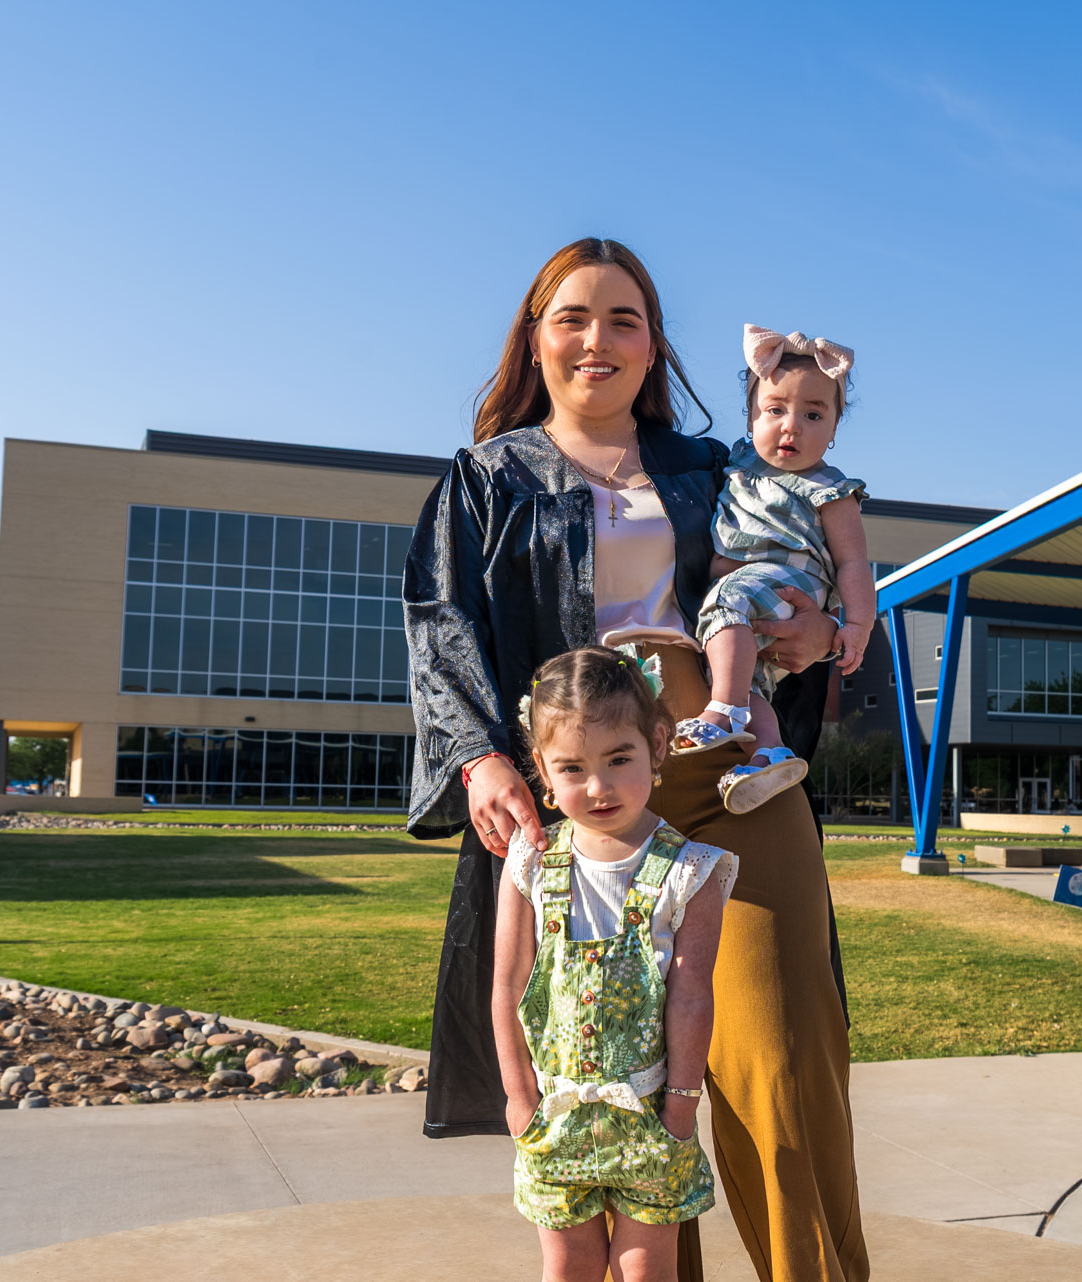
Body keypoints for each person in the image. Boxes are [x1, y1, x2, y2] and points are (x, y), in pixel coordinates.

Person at [404, 237, 869, 1281]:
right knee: (635, 1082)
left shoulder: (720, 468)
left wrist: (806, 625)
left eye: (625, 319)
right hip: (596, 811)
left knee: (783, 1065)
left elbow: (802, 555)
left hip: (733, 777)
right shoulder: (488, 482)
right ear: (537, 336)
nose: (598, 339)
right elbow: (442, 629)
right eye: (574, 316)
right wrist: (481, 757)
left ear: (655, 344)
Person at [494, 645, 733, 1282]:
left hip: (651, 1115)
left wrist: (680, 1105)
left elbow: (691, 996)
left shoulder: (691, 871)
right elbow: (508, 983)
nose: (597, 787)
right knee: (568, 1268)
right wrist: (519, 1097)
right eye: (571, 768)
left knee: (644, 1272)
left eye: (618, 760)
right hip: (555, 1114)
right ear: (542, 770)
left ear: (658, 745)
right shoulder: (531, 863)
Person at [672, 325, 876, 814]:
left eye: (813, 414)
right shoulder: (737, 464)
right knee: (748, 679)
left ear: (833, 430)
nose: (792, 427)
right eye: (775, 410)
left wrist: (857, 625)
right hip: (756, 595)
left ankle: (721, 713)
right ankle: (768, 752)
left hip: (784, 585)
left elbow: (853, 562)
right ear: (749, 418)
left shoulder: (831, 490)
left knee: (725, 605)